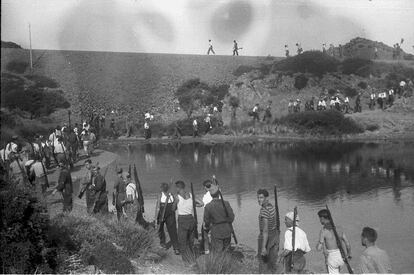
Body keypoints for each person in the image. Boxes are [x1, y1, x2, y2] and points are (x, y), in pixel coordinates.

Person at [172, 180, 203, 264]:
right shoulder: (190, 194)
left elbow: (173, 209)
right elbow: (201, 203)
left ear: (178, 188)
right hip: (191, 219)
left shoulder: (177, 197)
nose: (176, 189)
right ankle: (192, 257)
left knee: (182, 241)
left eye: (176, 188)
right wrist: (193, 205)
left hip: (183, 219)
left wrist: (175, 202)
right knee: (191, 240)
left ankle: (187, 260)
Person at [316, 209, 352, 274]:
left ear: (322, 218)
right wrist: (349, 254)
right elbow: (347, 244)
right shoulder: (339, 228)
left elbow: (318, 248)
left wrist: (320, 242)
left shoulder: (323, 231)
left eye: (319, 218)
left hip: (332, 257)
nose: (319, 220)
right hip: (342, 256)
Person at [257, 189, 279, 273]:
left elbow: (265, 230)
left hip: (266, 237)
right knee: (272, 261)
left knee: (263, 261)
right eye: (258, 198)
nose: (259, 200)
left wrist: (263, 247)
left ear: (266, 198)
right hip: (274, 235)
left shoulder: (264, 211)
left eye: (261, 197)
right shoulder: (271, 206)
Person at [154, 182, 179, 254]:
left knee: (160, 228)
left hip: (163, 211)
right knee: (172, 229)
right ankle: (176, 248)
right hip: (170, 211)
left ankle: (163, 244)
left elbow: (158, 206)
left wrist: (156, 218)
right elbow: (177, 200)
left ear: (161, 188)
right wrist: (174, 207)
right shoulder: (171, 194)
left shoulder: (160, 194)